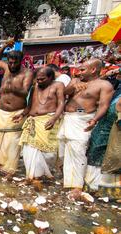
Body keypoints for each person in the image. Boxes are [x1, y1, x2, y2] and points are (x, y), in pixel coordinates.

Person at [58, 59, 114, 198]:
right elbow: (64, 92)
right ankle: (69, 181)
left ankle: (77, 186)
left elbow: (103, 106)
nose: (79, 72)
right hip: (67, 119)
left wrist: (94, 120)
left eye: (82, 70)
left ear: (93, 70)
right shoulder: (76, 81)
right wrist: (74, 85)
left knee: (78, 152)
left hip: (83, 119)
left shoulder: (104, 85)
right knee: (63, 153)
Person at [0, 39, 34, 176]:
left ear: (20, 61)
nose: (12, 65)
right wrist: (3, 46)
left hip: (16, 111)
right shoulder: (6, 68)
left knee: (12, 142)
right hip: (1, 111)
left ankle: (10, 169)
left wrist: (13, 88)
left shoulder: (27, 73)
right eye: (10, 62)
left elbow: (26, 91)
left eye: (15, 62)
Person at [19, 67, 65, 183]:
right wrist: (22, 114)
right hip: (32, 121)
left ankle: (43, 174)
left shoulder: (58, 85)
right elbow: (29, 105)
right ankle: (32, 176)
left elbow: (61, 103)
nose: (39, 81)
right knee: (29, 149)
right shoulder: (35, 87)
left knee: (47, 152)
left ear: (50, 77)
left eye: (42, 79)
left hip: (48, 120)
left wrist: (55, 118)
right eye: (37, 79)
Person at [84, 79, 121, 200]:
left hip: (111, 130)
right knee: (98, 156)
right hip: (105, 130)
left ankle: (102, 190)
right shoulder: (116, 92)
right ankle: (96, 189)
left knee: (109, 158)